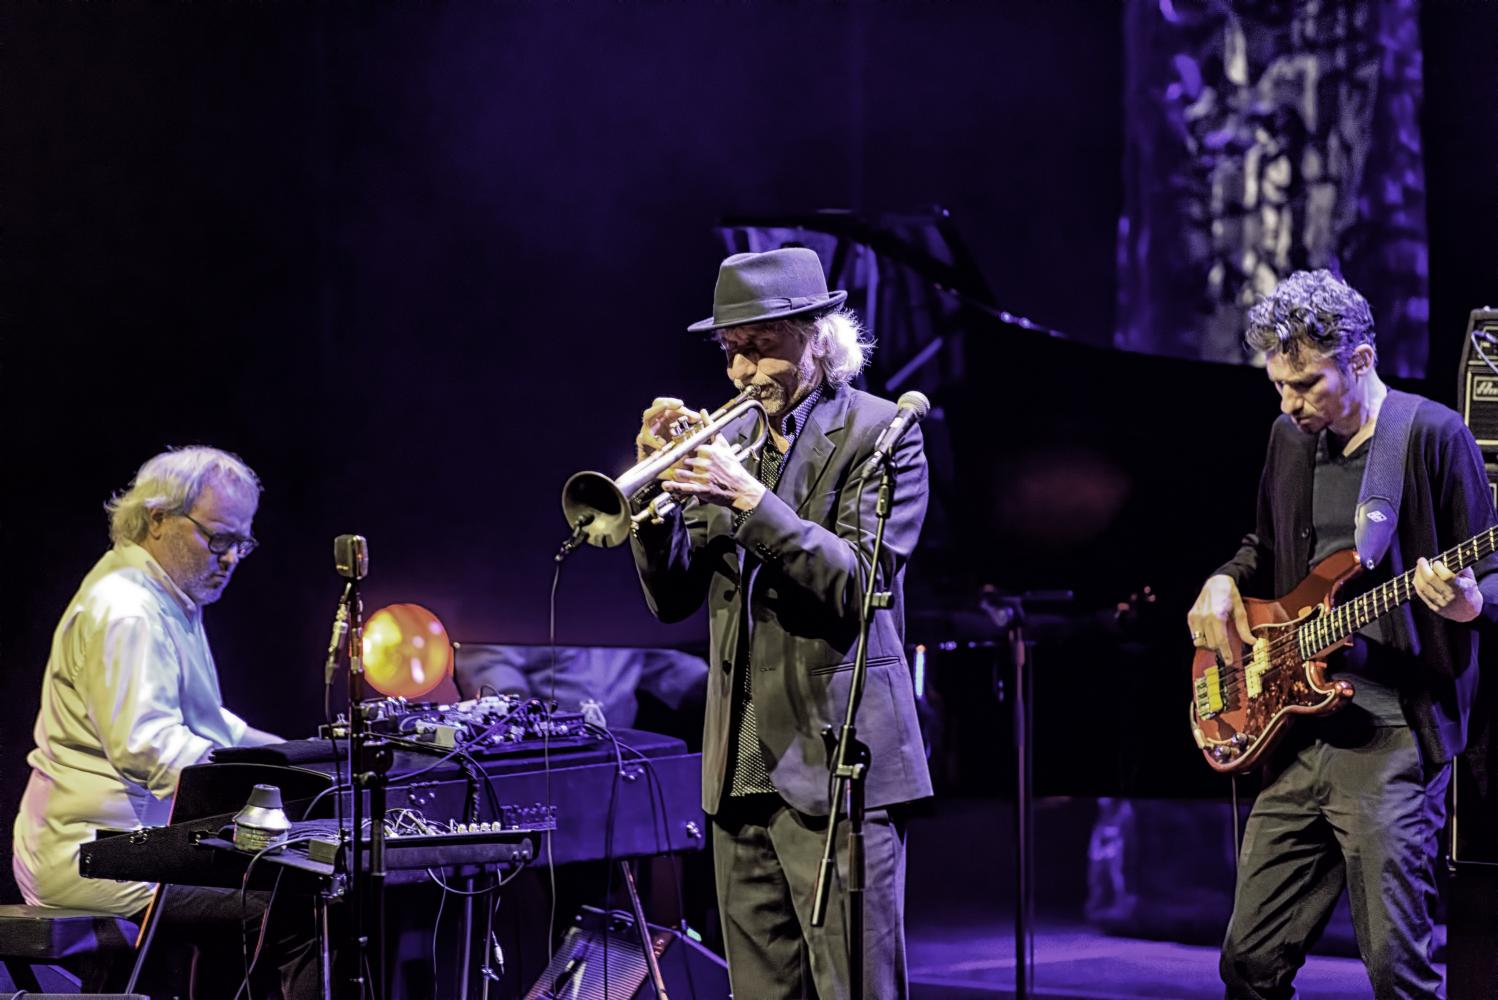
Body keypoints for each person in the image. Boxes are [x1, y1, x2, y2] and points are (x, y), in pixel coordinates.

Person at [629, 246, 932, 999]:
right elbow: (672, 600)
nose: (738, 373)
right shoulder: (728, 444)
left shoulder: (883, 433)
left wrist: (749, 501)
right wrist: (645, 512)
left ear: (815, 336)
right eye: (731, 352)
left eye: (758, 349)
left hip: (836, 772)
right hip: (738, 777)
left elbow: (860, 584)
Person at [1187, 270, 1498, 999]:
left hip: (1393, 738)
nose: (1290, 404)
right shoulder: (1287, 438)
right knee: (1249, 962)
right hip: (1296, 730)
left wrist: (1464, 607)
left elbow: (1490, 573)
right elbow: (1262, 548)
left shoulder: (1430, 435)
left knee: (1397, 970)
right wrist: (1224, 578)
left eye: (1306, 386)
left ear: (1360, 360)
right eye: (1280, 387)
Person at [12, 445, 317, 998]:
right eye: (218, 539)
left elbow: (210, 726)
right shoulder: (127, 610)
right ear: (157, 519)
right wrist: (279, 783)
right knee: (301, 907)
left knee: (283, 891)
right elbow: (149, 746)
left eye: (240, 544)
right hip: (95, 854)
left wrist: (306, 759)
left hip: (135, 845)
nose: (229, 558)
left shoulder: (166, 599)